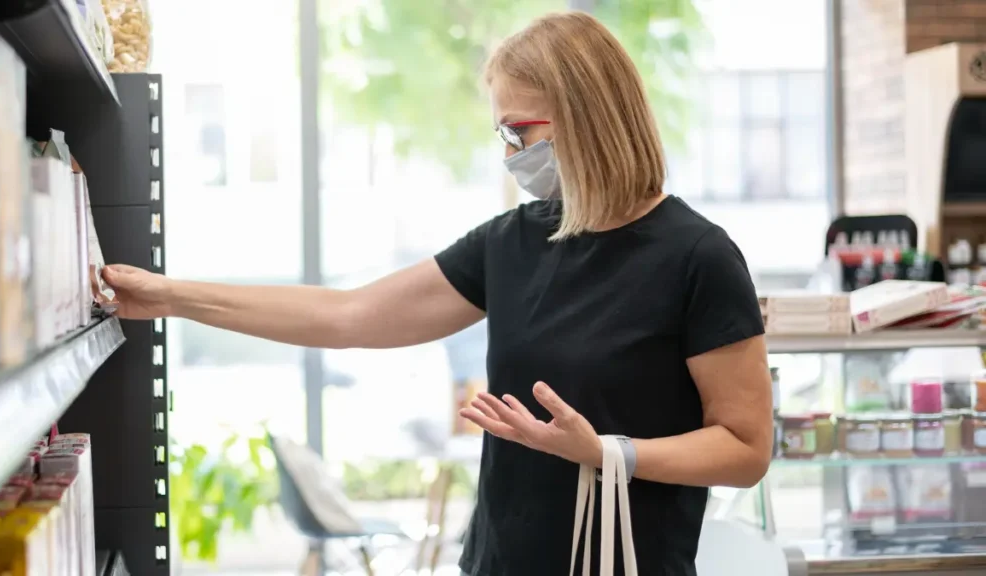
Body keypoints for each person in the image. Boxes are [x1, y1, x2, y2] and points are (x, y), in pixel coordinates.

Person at [103, 11, 772, 576]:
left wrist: (607, 453)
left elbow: (745, 450)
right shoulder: (512, 242)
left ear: (584, 116)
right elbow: (348, 316)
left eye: (519, 132)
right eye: (501, 135)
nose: (509, 153)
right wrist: (169, 297)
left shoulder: (698, 258)